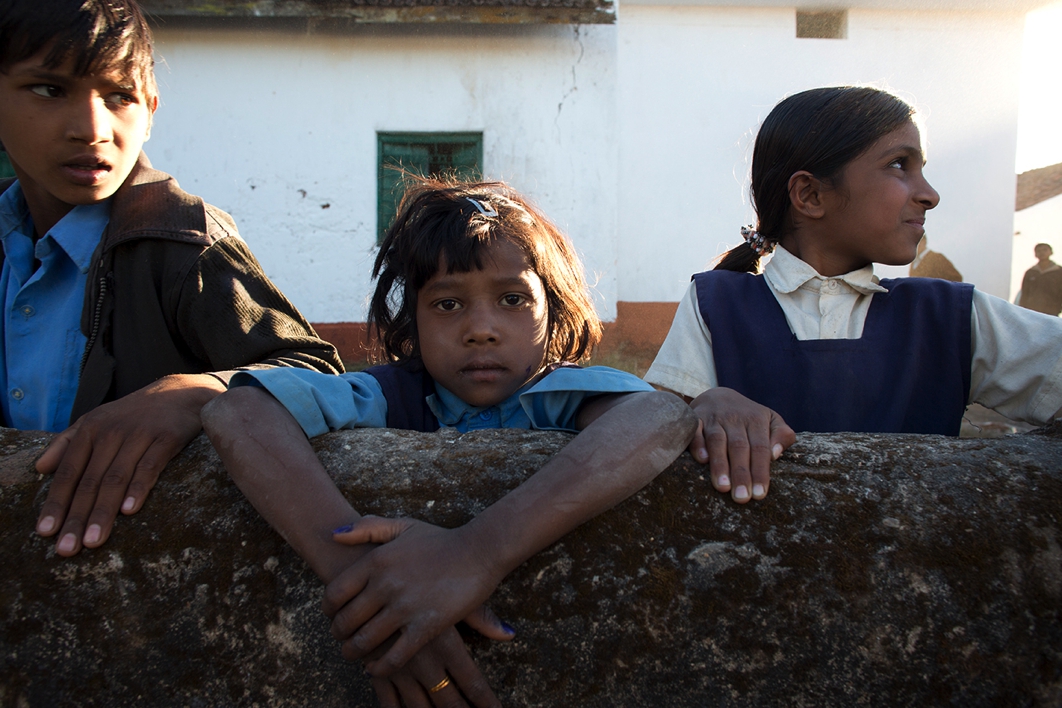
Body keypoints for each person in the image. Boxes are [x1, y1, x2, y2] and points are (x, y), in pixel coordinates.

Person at [202, 177, 697, 707]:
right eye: (446, 304)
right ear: (411, 317)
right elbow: (240, 411)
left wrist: (473, 554)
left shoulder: (558, 393)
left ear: (552, 309)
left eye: (512, 299)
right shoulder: (391, 395)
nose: (481, 329)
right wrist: (374, 590)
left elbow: (660, 415)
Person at [0, 0, 343, 557]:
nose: (92, 129)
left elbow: (320, 373)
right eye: (47, 89)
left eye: (119, 97)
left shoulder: (183, 243)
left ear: (151, 109)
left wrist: (195, 393)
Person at [645, 86, 1062, 502]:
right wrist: (704, 406)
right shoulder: (716, 302)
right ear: (810, 195)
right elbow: (654, 434)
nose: (930, 195)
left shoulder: (952, 315)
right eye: (900, 165)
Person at [1018, 243, 1062, 315]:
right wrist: (1023, 308)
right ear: (1035, 254)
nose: (1042, 253)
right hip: (1032, 310)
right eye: (1038, 251)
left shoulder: (1059, 271)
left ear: (1051, 252)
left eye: (1045, 250)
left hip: (1052, 311)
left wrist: (1058, 307)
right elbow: (1025, 292)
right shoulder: (1030, 272)